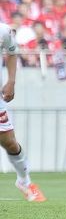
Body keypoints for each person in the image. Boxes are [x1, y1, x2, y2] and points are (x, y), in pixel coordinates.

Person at [0, 23, 46, 202]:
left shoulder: (3, 31)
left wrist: (11, 81)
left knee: (10, 142)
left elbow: (12, 52)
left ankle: (24, 182)